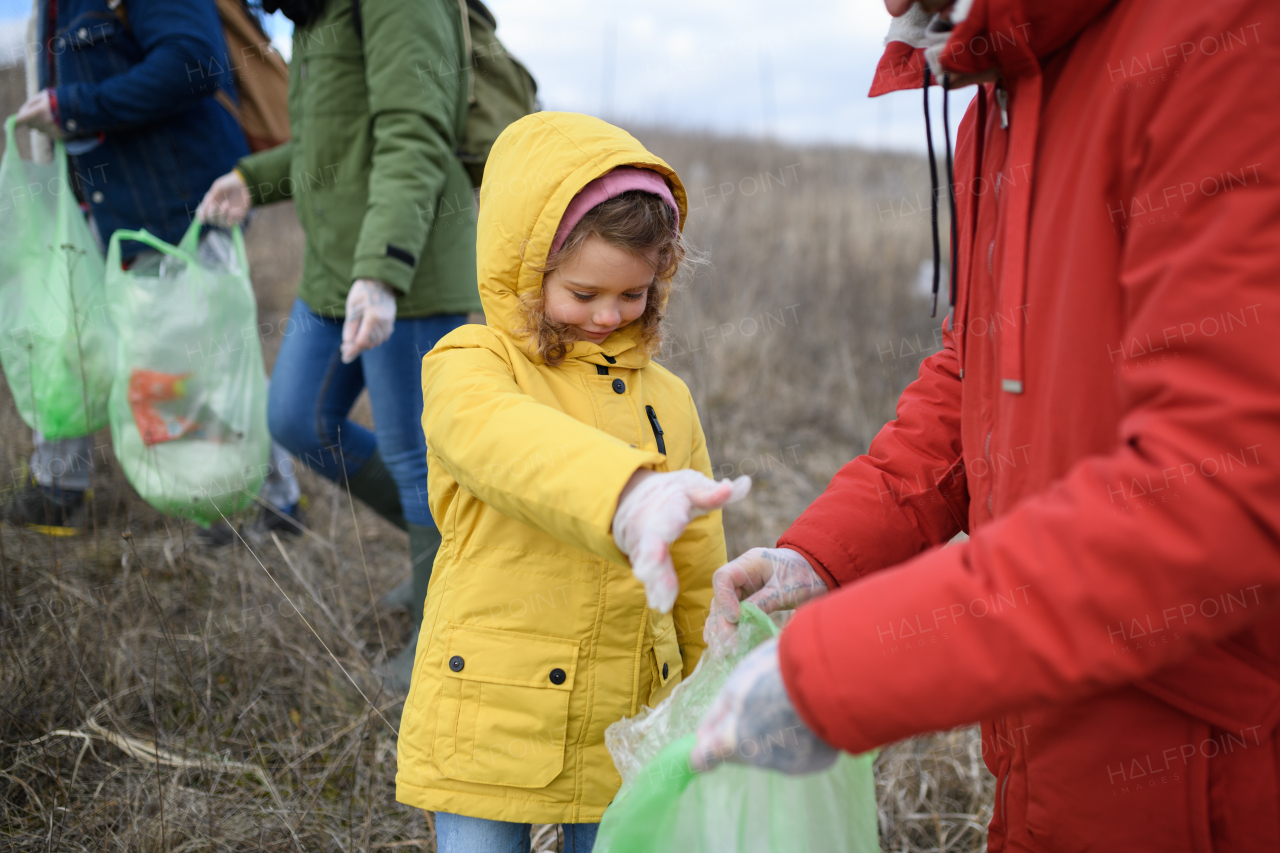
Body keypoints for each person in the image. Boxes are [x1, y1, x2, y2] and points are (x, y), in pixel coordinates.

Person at [692, 0, 1280, 850]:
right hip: (1040, 726)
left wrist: (840, 672)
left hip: (1201, 759)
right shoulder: (994, 109)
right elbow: (974, 378)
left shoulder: (1218, 38)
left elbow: (1217, 486)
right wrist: (821, 556)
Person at [392, 112, 750, 852]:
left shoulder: (668, 399)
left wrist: (711, 677)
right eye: (583, 294)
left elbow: (695, 560)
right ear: (526, 267)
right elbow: (501, 442)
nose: (608, 316)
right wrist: (627, 496)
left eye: (633, 295)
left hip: (624, 709)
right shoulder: (472, 363)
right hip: (491, 706)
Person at [199, 0, 483, 684]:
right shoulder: (311, 12)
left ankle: (443, 627)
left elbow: (413, 132)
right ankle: (450, 556)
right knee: (296, 418)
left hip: (404, 268)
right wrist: (252, 177)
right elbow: (337, 143)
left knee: (416, 456)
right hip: (335, 266)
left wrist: (383, 271)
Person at [6, 0, 300, 540]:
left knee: (209, 350)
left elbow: (192, 62)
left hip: (179, 197)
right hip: (104, 201)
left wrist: (72, 106)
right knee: (95, 338)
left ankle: (273, 499)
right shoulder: (48, 10)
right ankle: (61, 484)